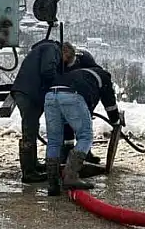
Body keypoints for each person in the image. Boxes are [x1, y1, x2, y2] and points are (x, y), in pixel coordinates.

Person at [44, 48, 121, 196]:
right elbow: (109, 103)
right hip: (72, 95)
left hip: (50, 95)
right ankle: (71, 177)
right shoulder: (102, 75)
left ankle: (53, 184)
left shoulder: (72, 74)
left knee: (54, 141)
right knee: (85, 136)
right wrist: (116, 120)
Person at [8, 39, 64, 183]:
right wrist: (59, 84)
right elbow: (47, 71)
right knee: (29, 130)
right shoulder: (52, 49)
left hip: (26, 92)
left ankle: (33, 165)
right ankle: (28, 173)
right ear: (65, 51)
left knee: (32, 128)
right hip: (28, 94)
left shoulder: (41, 49)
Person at [59, 43, 102, 164]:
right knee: (66, 119)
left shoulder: (86, 59)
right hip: (67, 94)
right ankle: (67, 149)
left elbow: (98, 76)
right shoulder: (59, 64)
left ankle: (85, 151)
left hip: (87, 94)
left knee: (85, 123)